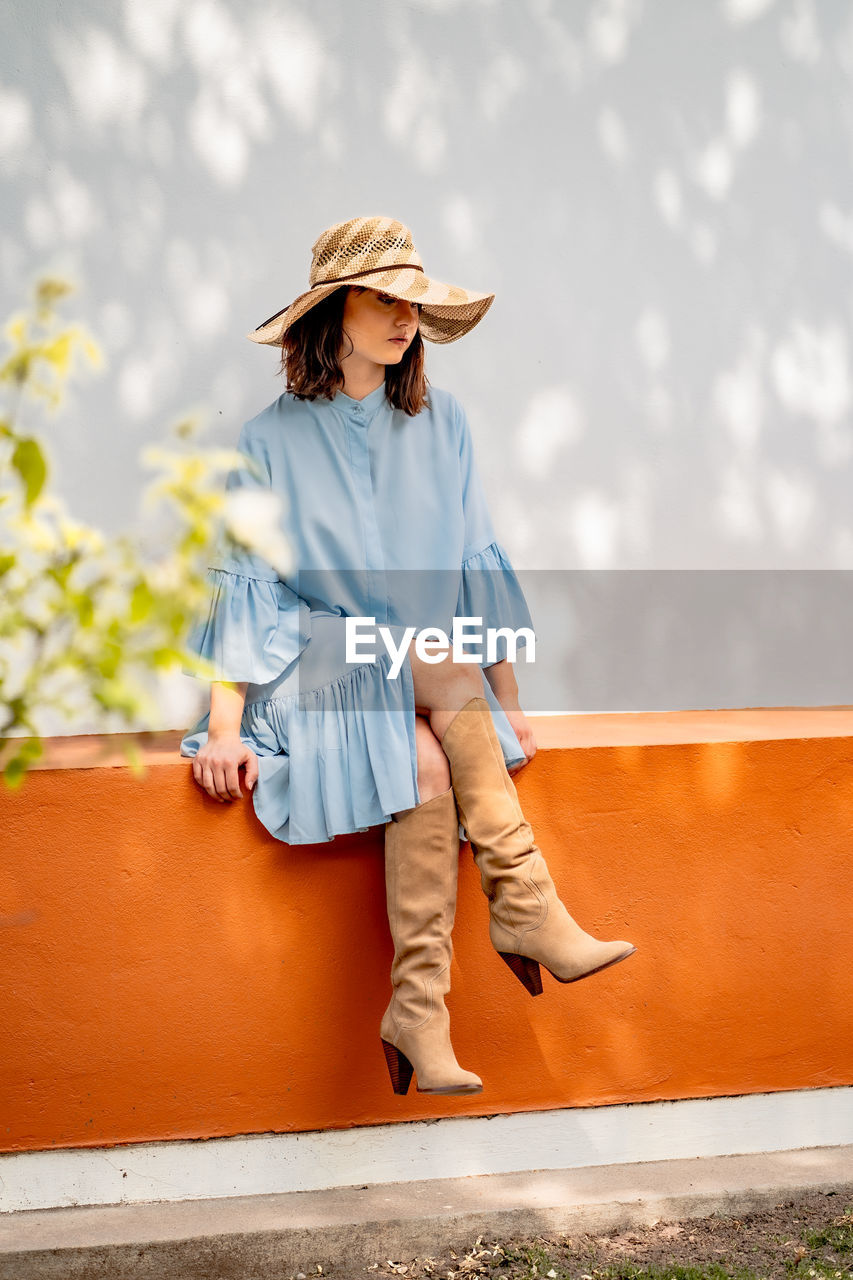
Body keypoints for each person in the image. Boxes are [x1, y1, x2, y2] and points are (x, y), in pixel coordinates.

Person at [180, 215, 636, 1098]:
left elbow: (473, 566)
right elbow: (244, 588)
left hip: (419, 682)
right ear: (333, 312)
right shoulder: (268, 441)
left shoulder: (443, 422)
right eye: (383, 299)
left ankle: (417, 1010)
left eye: (413, 303)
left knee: (427, 763)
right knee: (426, 659)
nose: (403, 319)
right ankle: (526, 905)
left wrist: (508, 705)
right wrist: (226, 729)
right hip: (309, 672)